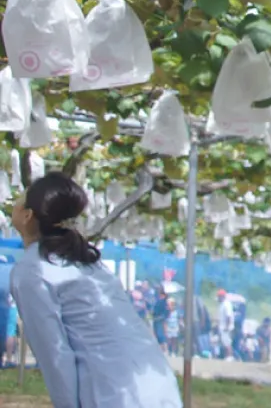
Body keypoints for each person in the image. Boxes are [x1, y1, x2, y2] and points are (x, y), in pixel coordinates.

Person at [9, 171, 182, 408]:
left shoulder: (33, 271)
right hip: (156, 383)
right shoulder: (85, 260)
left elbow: (55, 355)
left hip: (113, 392)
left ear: (27, 215)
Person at [216, 289, 235, 360]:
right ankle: (226, 356)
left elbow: (228, 316)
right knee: (224, 343)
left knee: (227, 343)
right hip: (222, 327)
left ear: (223, 296)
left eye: (219, 296)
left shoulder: (227, 304)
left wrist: (227, 326)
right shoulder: (222, 304)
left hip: (226, 328)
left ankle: (230, 356)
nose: (218, 297)